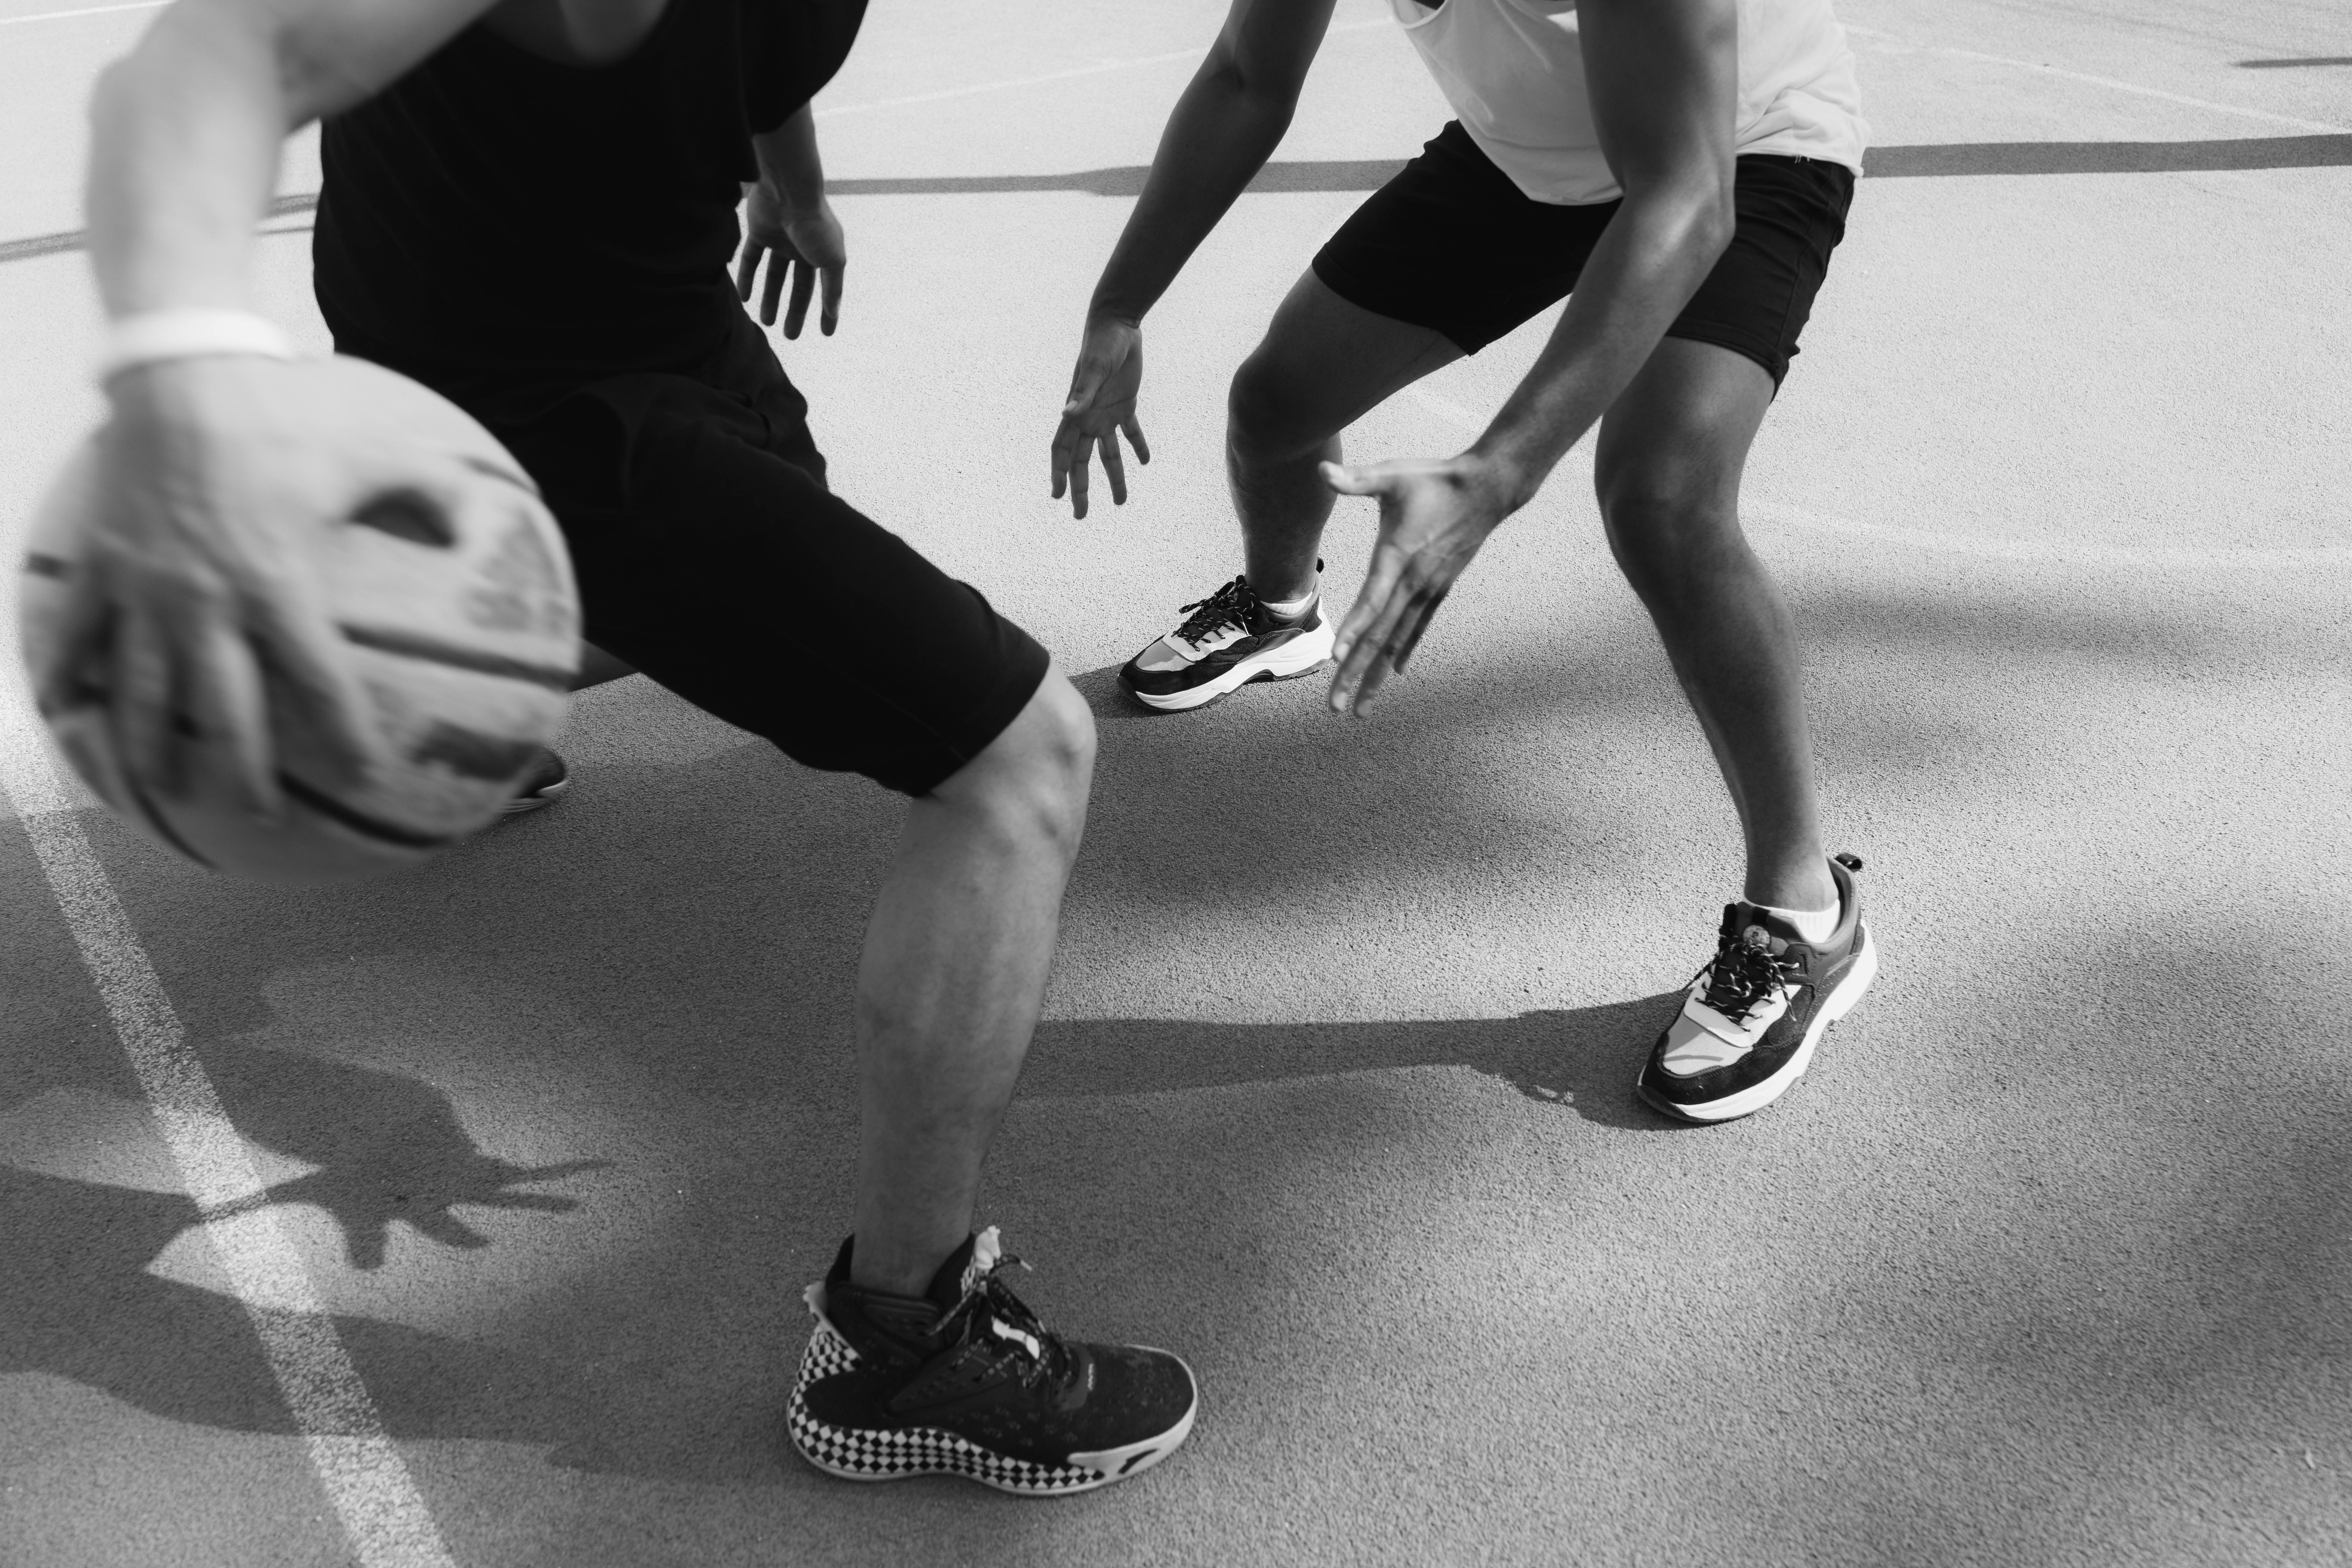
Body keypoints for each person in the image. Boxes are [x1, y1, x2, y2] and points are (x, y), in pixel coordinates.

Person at [70, 0, 1194, 1494]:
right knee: (1019, 754)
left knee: (782, 522)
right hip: (532, 398)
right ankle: (900, 1343)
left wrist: (788, 177)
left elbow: (766, 49)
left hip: (652, 314)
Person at [1051, 0, 1879, 1124]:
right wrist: (1117, 307)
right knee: (1281, 400)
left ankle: (1808, 918)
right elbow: (1251, 75)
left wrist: (1496, 473)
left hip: (1736, 150)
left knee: (1663, 500)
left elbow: (1683, 202)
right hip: (1528, 159)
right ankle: (1283, 610)